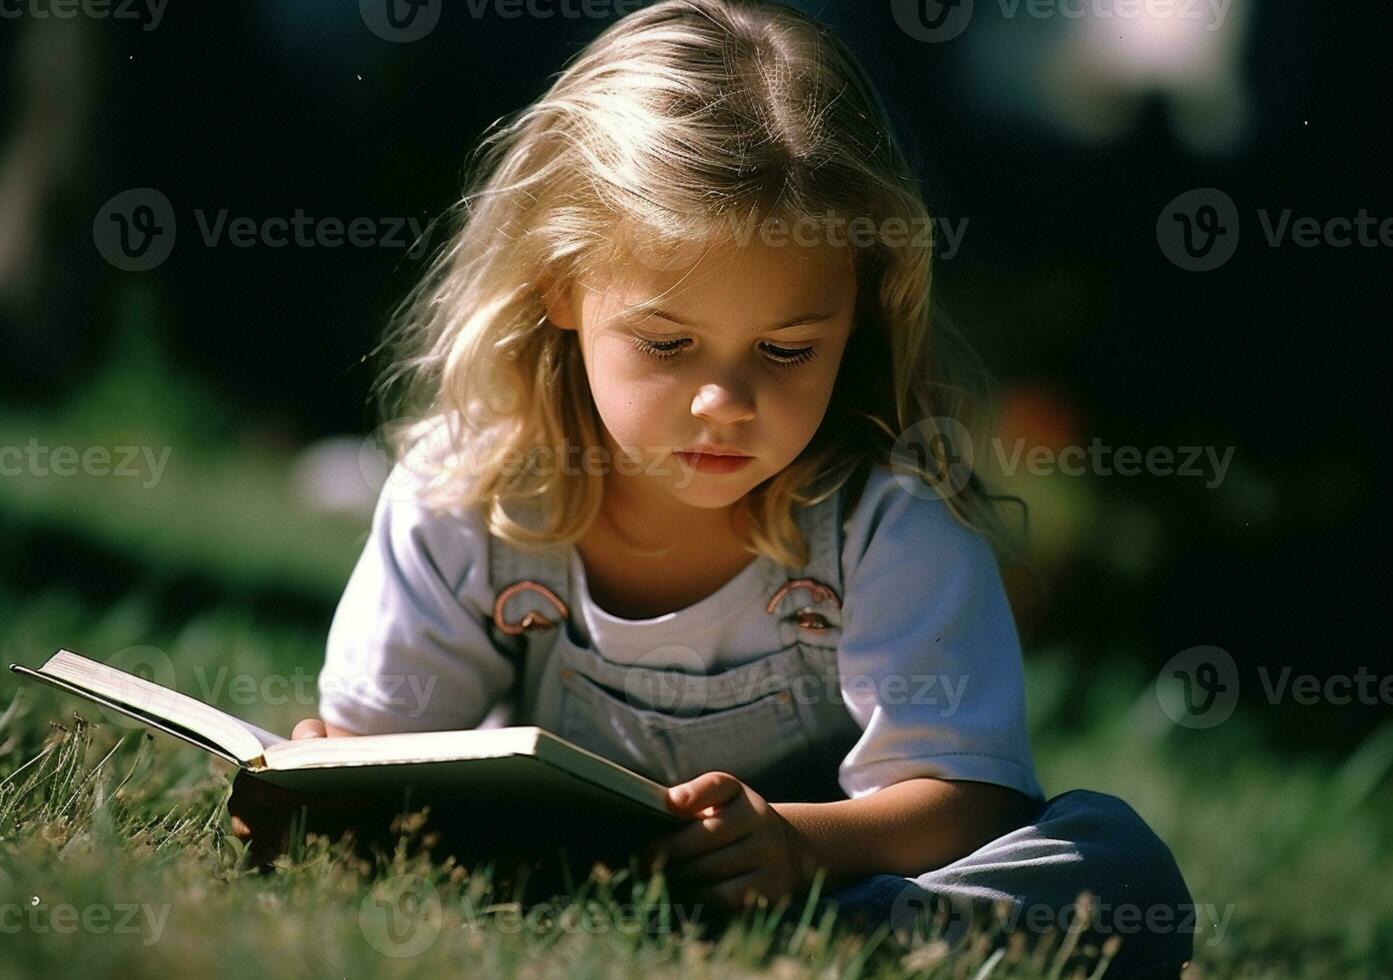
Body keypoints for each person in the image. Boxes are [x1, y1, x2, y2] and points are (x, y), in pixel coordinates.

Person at [229, 2, 1192, 974]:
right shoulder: (465, 494)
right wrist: (322, 786)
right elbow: (381, 744)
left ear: (857, 313)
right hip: (545, 856)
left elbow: (968, 796)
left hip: (831, 882)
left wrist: (797, 845)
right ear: (560, 285)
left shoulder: (886, 526)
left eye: (785, 349)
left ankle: (815, 943)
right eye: (667, 343)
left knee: (1112, 866)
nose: (725, 400)